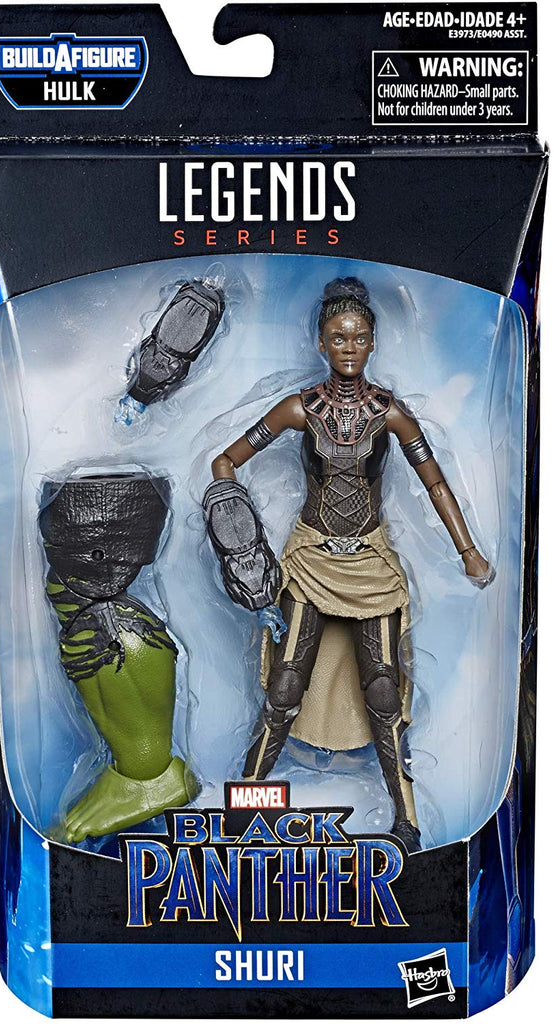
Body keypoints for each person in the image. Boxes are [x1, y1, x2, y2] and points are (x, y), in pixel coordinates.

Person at [204, 278, 493, 852]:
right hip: (311, 559)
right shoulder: (299, 408)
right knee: (285, 687)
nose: (350, 347)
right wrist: (237, 537)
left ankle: (407, 823)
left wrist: (467, 550)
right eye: (339, 337)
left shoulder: (390, 413)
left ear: (374, 342)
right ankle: (243, 812)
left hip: (371, 562)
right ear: (320, 342)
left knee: (383, 692)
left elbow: (434, 482)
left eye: (360, 337)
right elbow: (225, 460)